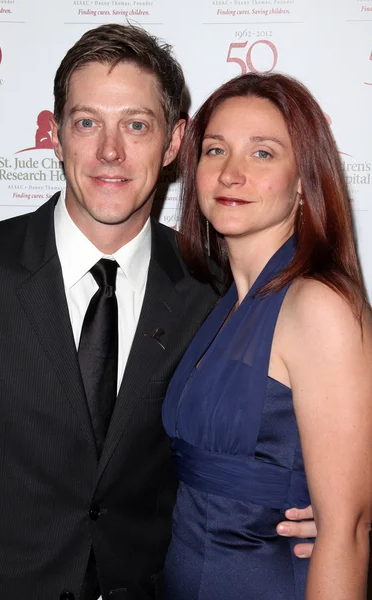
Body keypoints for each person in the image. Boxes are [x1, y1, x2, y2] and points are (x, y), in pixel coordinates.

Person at [0, 25, 314, 600]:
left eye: (136, 125)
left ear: (175, 142)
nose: (110, 151)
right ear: (55, 135)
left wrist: (339, 510)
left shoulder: (216, 292)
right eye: (86, 123)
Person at [162, 72, 372, 599]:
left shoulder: (318, 305)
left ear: (304, 181)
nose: (231, 174)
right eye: (215, 150)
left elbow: (345, 531)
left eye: (262, 154)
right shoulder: (225, 304)